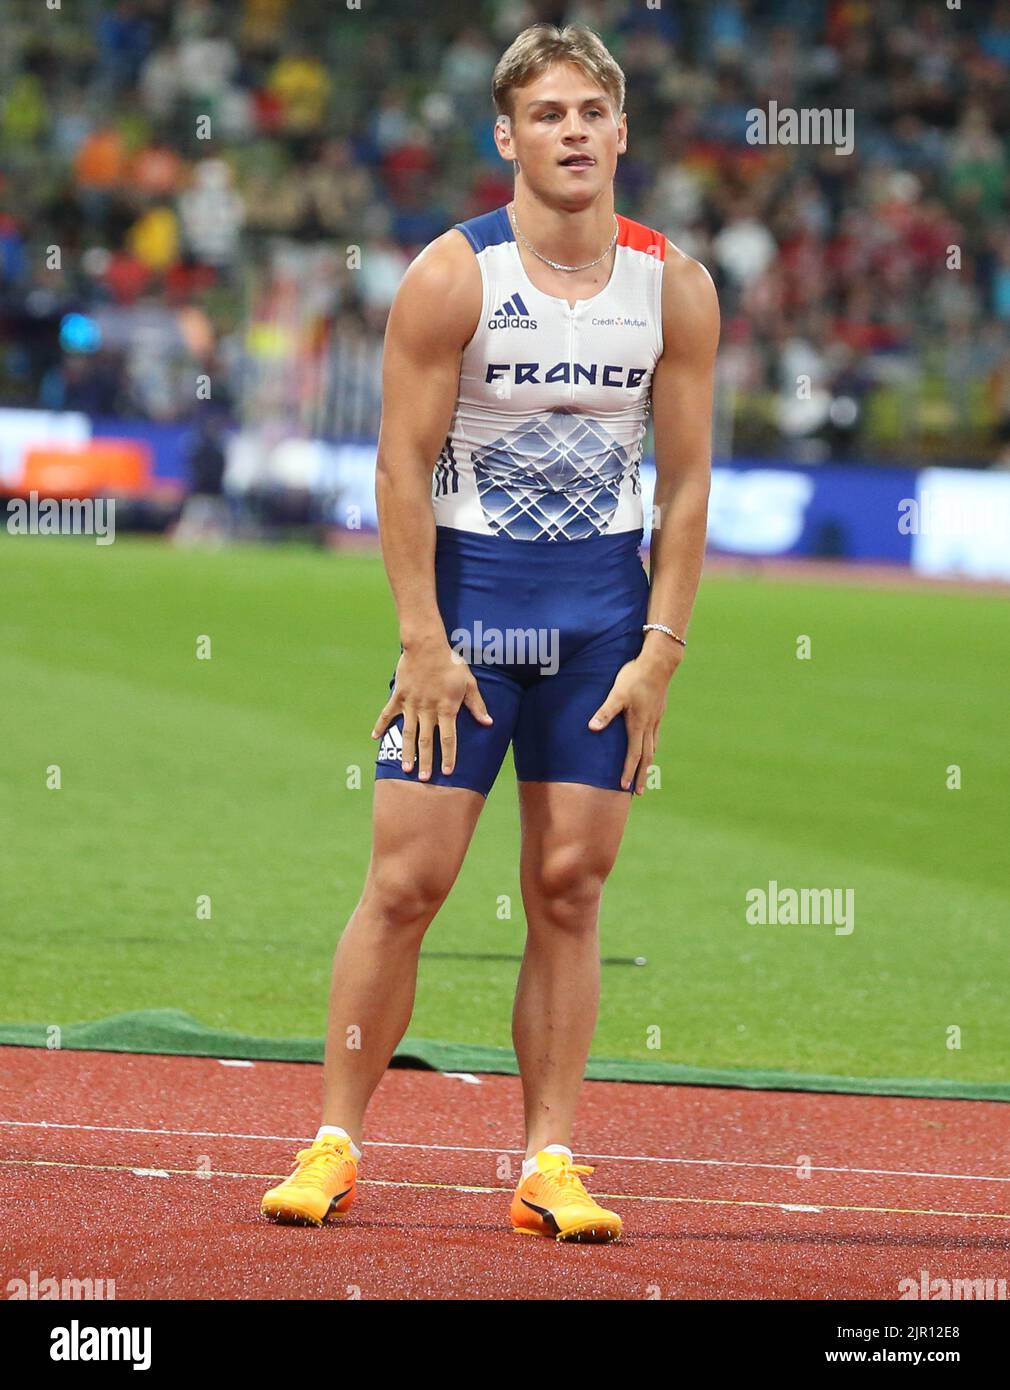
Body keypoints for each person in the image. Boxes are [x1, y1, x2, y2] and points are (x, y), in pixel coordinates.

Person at [261, 22, 719, 1242]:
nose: (571, 133)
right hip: (465, 609)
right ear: (505, 137)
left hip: (598, 621)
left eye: (590, 113)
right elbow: (399, 467)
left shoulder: (672, 285)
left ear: (619, 131)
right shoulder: (451, 275)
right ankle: (333, 1141)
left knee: (570, 886)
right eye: (547, 115)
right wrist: (419, 637)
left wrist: (661, 646)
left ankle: (548, 1159)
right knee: (407, 882)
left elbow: (685, 480)